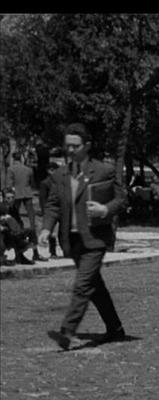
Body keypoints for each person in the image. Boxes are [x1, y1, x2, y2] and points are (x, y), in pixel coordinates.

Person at [42, 122, 128, 351]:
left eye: (75, 146)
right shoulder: (60, 174)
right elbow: (53, 205)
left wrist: (104, 209)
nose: (70, 150)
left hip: (95, 238)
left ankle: (67, 332)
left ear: (87, 145)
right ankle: (115, 328)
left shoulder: (104, 171)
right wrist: (46, 229)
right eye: (67, 146)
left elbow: (121, 199)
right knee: (94, 285)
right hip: (72, 241)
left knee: (82, 285)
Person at [6, 152, 43, 260]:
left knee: (15, 218)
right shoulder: (28, 169)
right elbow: (32, 182)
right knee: (32, 220)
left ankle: (18, 248)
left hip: (16, 194)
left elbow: (9, 184)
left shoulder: (11, 169)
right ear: (21, 158)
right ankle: (35, 251)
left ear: (13, 158)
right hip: (27, 193)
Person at [1, 189, 35, 265]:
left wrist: (21, 229)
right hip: (5, 231)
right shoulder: (2, 208)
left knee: (31, 231)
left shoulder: (14, 208)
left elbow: (19, 221)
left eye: (13, 197)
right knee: (12, 235)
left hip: (14, 230)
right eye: (8, 198)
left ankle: (34, 254)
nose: (11, 200)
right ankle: (16, 257)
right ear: (4, 199)